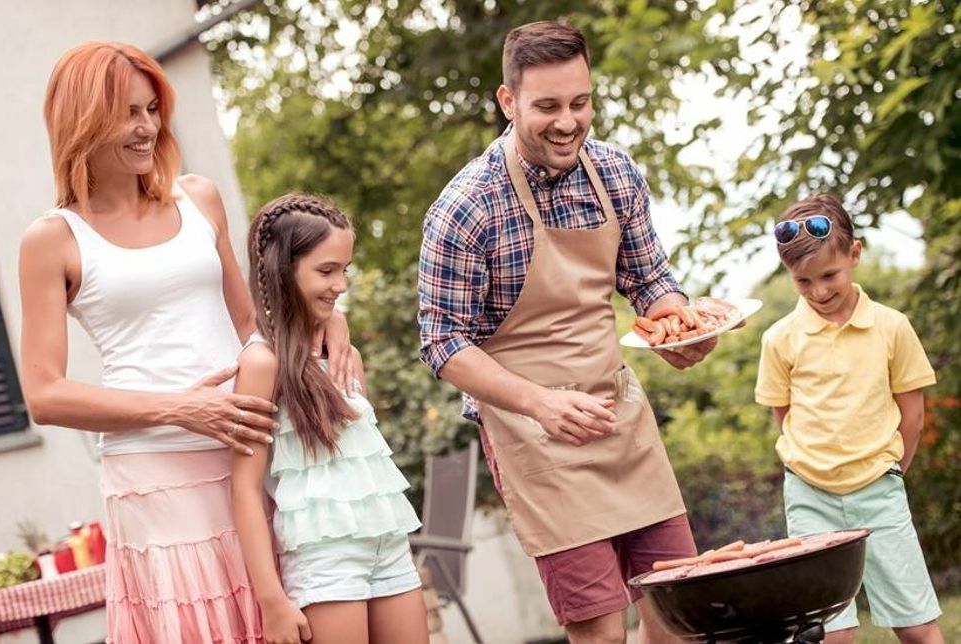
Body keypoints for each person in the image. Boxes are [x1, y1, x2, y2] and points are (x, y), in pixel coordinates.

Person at [19, 42, 354, 642]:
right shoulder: (53, 239)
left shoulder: (198, 198)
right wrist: (182, 409)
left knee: (285, 615)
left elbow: (251, 322)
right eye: (128, 113)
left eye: (152, 109)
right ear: (84, 120)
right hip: (156, 477)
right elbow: (44, 395)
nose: (147, 127)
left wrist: (326, 318)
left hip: (251, 451)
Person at [418, 21, 719, 644]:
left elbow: (649, 279)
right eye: (547, 106)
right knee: (602, 633)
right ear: (508, 101)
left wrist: (678, 324)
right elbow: (442, 341)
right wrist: (540, 403)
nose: (567, 122)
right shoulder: (466, 206)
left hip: (619, 416)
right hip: (534, 435)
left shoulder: (615, 172)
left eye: (580, 103)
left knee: (681, 616)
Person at [231, 193, 428, 644]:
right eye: (326, 271)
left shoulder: (346, 356)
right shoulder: (261, 364)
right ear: (283, 270)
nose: (340, 285)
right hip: (325, 561)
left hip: (388, 547)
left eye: (344, 270)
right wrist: (271, 599)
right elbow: (244, 488)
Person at [755, 194, 943, 644]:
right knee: (831, 633)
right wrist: (813, 464)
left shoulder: (892, 326)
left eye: (829, 276)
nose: (818, 291)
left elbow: (913, 414)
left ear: (854, 254)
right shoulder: (779, 338)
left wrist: (892, 469)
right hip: (810, 496)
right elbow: (784, 415)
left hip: (879, 489)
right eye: (803, 281)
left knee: (917, 625)